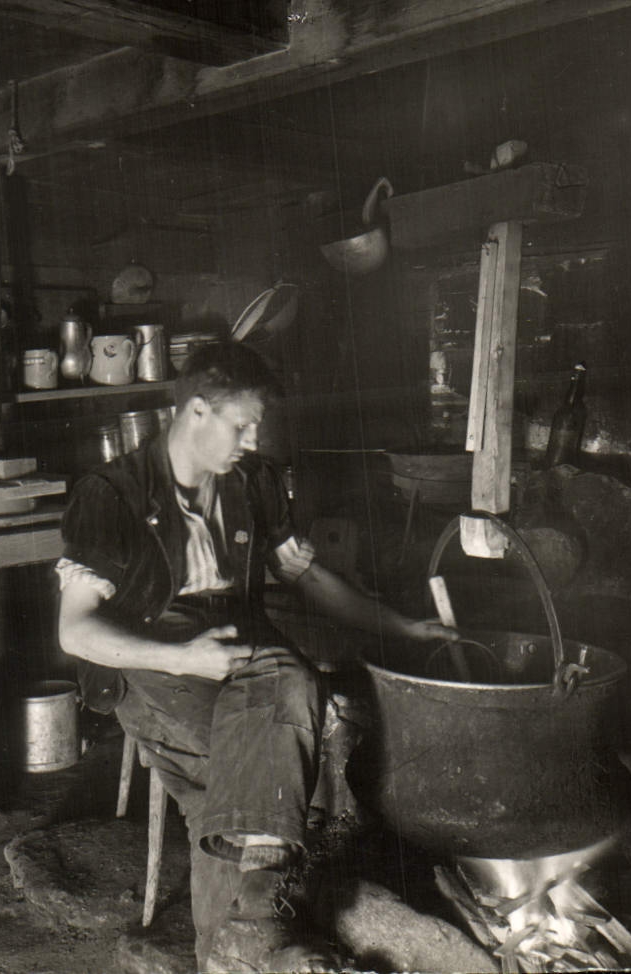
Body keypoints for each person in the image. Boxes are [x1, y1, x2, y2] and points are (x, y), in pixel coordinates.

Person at [54, 341, 461, 972]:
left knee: (247, 763)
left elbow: (310, 578)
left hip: (244, 645)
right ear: (195, 412)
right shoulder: (112, 494)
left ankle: (238, 946)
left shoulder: (256, 484)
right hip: (154, 655)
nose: (251, 439)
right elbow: (75, 633)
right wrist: (185, 657)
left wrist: (400, 626)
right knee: (275, 744)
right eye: (241, 425)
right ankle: (258, 933)